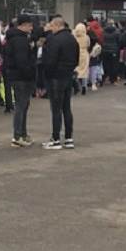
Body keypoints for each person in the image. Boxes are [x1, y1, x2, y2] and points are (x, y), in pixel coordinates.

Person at [40, 17, 80, 151]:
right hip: (68, 75)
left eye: (51, 25)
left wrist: (47, 74)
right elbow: (76, 59)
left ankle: (55, 139)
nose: (50, 28)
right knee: (66, 108)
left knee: (56, 109)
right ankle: (69, 138)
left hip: (55, 77)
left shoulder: (54, 40)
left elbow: (50, 60)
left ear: (57, 25)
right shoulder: (72, 39)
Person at [3, 15, 36, 147]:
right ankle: (17, 136)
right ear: (23, 25)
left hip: (15, 75)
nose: (31, 28)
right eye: (30, 25)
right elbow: (22, 61)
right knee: (21, 106)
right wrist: (29, 73)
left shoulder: (12, 38)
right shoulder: (21, 40)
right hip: (22, 77)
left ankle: (22, 134)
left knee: (23, 106)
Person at [73, 23, 91, 95]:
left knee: (76, 70)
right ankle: (84, 86)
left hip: (76, 53)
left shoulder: (74, 36)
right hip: (84, 53)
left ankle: (76, 86)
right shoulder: (87, 37)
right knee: (84, 71)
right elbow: (88, 45)